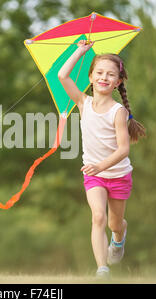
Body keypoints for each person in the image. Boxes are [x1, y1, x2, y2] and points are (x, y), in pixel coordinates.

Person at [58, 40, 145, 279]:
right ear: (91, 77)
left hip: (117, 176)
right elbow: (62, 75)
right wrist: (80, 51)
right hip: (94, 177)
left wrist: (101, 166)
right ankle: (102, 269)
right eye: (99, 73)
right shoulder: (82, 102)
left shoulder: (119, 112)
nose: (104, 77)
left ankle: (119, 238)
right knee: (98, 216)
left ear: (118, 82)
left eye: (110, 75)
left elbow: (123, 150)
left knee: (114, 225)